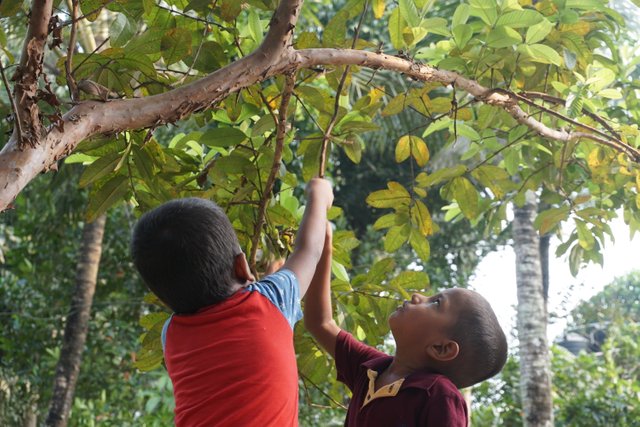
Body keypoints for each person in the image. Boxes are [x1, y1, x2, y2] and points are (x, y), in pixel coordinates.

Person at [131, 178, 333, 427]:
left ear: (163, 298)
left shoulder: (170, 335)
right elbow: (308, 250)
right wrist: (319, 195)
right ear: (242, 265)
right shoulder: (272, 301)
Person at [304, 225, 508, 426]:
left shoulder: (439, 395)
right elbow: (320, 323)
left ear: (441, 348)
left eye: (436, 302)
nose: (418, 296)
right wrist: (324, 247)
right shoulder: (371, 369)